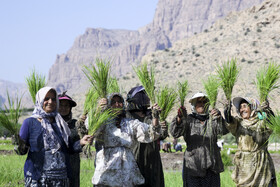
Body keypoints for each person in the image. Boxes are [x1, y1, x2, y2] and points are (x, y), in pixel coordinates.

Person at [14, 87, 92, 187]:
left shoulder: (61, 123)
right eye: (46, 98)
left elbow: (69, 149)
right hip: (38, 180)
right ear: (40, 100)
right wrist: (19, 143)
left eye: (53, 99)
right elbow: (21, 151)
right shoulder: (29, 123)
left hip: (60, 180)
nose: (50, 102)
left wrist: (81, 142)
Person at [91, 93, 162, 187]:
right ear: (108, 105)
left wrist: (155, 116)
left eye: (119, 102)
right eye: (113, 102)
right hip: (107, 169)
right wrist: (98, 111)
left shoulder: (129, 123)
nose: (117, 104)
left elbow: (151, 133)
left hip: (127, 172)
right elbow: (91, 129)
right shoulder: (103, 123)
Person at [170, 92, 228, 187]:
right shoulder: (188, 119)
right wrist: (179, 118)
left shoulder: (212, 119)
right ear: (193, 105)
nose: (201, 104)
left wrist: (219, 118)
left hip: (212, 165)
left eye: (204, 102)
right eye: (198, 102)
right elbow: (175, 133)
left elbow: (224, 130)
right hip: (193, 165)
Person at [224, 97, 277, 186]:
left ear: (252, 108)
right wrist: (227, 110)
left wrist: (267, 110)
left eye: (245, 106)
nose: (242, 110)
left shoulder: (261, 123)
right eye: (240, 107)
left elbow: (272, 123)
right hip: (245, 165)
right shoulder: (238, 123)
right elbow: (229, 121)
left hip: (261, 163)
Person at [126, 86, 167, 187]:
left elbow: (162, 135)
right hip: (135, 159)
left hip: (153, 161)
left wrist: (159, 120)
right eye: (145, 96)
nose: (148, 98)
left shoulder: (152, 115)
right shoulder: (127, 116)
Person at [58, 91, 87, 187]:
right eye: (61, 105)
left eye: (66, 106)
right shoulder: (50, 124)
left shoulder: (75, 124)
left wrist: (83, 125)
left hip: (72, 164)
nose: (63, 108)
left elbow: (84, 137)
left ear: (70, 108)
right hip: (55, 165)